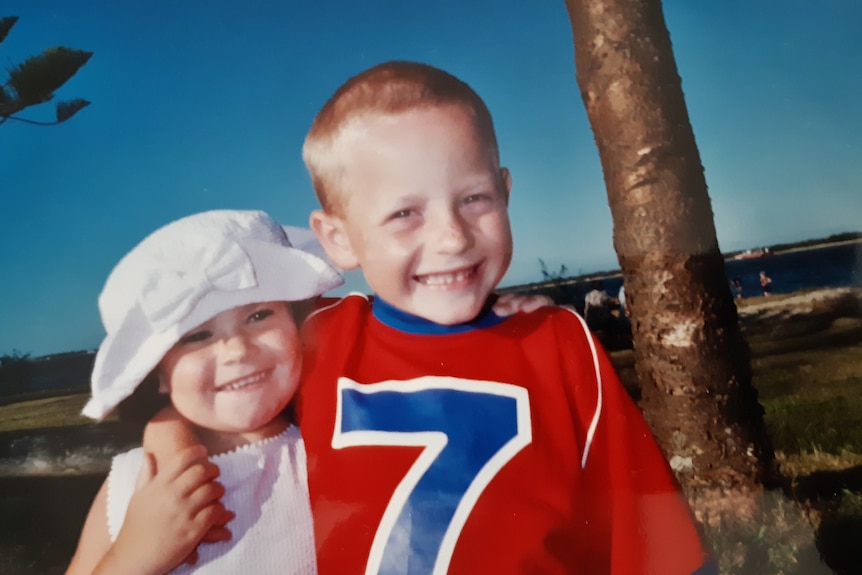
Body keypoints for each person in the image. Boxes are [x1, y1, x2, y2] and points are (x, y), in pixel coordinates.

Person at [146, 62, 714, 574]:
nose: (452, 237)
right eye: (404, 214)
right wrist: (168, 442)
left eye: (474, 199)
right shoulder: (321, 338)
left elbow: (652, 541)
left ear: (505, 192)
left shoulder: (560, 345)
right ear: (339, 240)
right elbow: (221, 391)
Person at [66, 210, 343, 575]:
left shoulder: (335, 446)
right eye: (197, 336)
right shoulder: (138, 480)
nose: (237, 350)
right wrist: (133, 556)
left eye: (259, 316)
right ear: (157, 375)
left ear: (297, 322)